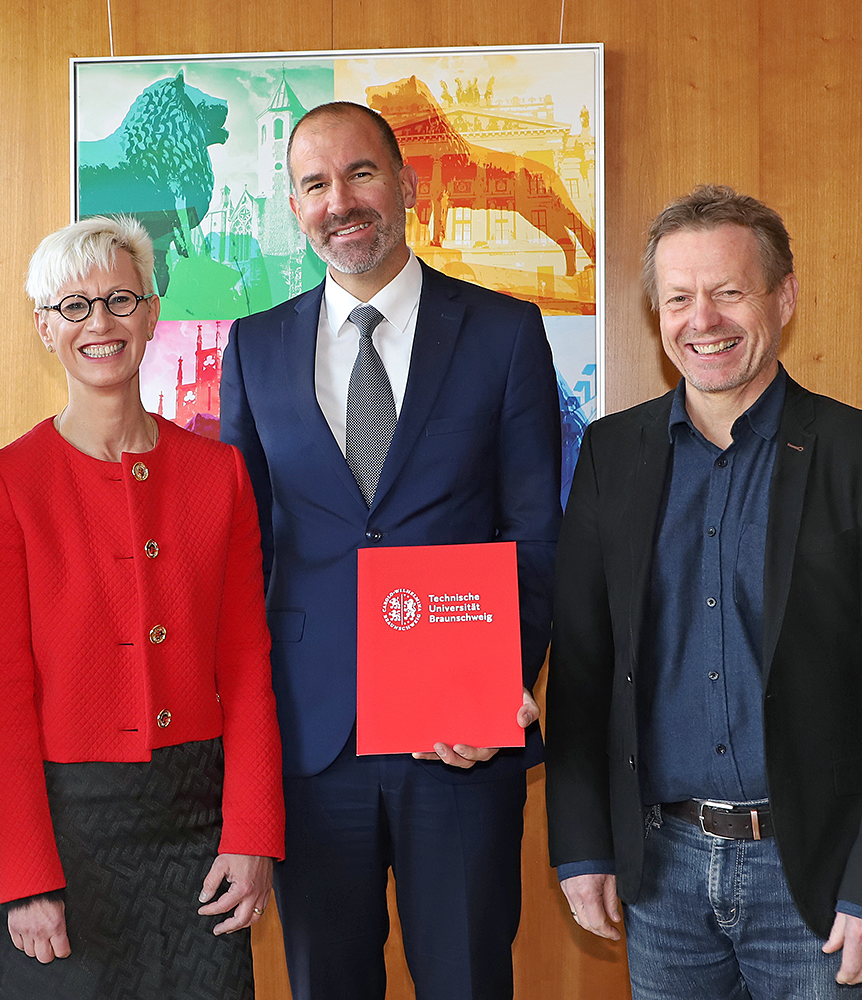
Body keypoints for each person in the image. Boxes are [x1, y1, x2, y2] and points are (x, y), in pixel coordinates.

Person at [546, 185, 862, 998]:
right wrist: (584, 845)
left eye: (729, 292)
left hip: (816, 881)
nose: (703, 320)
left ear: (784, 296)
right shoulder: (611, 454)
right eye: (679, 298)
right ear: (657, 311)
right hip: (659, 876)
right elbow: (587, 667)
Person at [220, 102, 562, 1000]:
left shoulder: (503, 332)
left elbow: (534, 530)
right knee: (326, 982)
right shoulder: (253, 347)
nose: (342, 201)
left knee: (467, 979)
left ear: (406, 185)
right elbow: (242, 550)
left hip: (456, 743)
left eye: (361, 174)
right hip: (310, 738)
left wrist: (492, 689)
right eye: (315, 184)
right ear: (295, 208)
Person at [0, 215, 284, 999]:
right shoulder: (4, 486)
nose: (99, 323)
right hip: (70, 830)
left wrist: (252, 833)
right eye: (73, 307)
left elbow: (245, 666)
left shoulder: (220, 474)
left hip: (199, 830)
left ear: (152, 311)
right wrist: (25, 875)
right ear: (44, 327)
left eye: (119, 300)